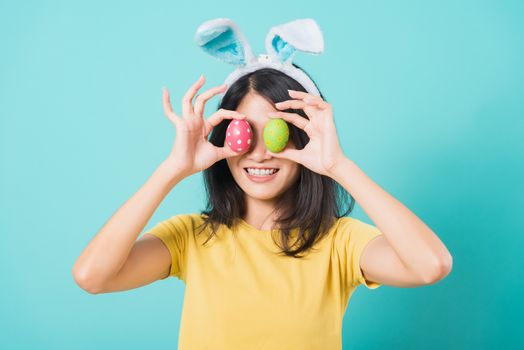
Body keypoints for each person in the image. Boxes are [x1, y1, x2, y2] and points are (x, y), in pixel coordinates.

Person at [72, 19, 453, 350]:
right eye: (242, 132)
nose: (257, 153)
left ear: (304, 137)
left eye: (276, 132)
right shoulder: (192, 238)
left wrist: (339, 165)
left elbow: (430, 265)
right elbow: (92, 276)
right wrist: (172, 169)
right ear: (223, 139)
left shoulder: (339, 243)